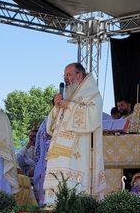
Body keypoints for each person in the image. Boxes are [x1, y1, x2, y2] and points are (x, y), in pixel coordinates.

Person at [43, 62, 106, 204]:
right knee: (56, 186)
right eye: (64, 76)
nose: (66, 79)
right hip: (58, 154)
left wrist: (69, 105)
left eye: (69, 75)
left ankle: (76, 211)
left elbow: (92, 118)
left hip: (77, 153)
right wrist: (56, 108)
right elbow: (52, 128)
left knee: (73, 188)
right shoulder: (66, 94)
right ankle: (53, 208)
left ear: (79, 75)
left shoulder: (92, 94)